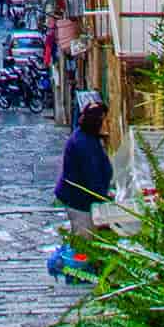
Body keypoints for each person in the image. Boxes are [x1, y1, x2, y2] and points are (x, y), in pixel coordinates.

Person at [54, 92, 114, 233]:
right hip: (80, 203)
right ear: (97, 122)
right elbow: (92, 176)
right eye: (105, 120)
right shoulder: (84, 144)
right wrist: (106, 199)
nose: (108, 123)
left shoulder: (88, 138)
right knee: (84, 242)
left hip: (82, 200)